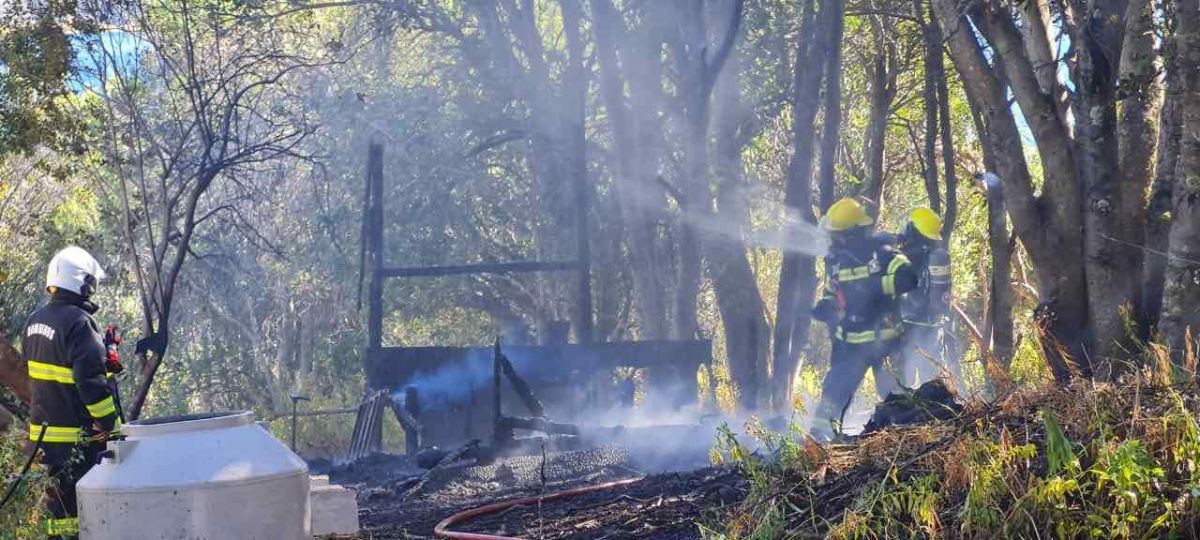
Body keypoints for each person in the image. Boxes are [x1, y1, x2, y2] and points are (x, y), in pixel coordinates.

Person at [23, 246, 121, 539]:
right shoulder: (79, 322)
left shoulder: (34, 321)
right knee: (84, 514)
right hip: (75, 441)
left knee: (58, 514)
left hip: (42, 439)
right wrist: (112, 428)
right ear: (83, 283)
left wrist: (104, 354)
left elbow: (57, 372)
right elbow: (89, 383)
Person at [810, 199, 918, 440]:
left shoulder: (883, 254)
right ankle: (817, 445)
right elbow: (833, 294)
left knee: (897, 401)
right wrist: (826, 307)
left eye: (836, 235)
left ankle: (907, 443)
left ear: (851, 234)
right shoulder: (837, 264)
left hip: (886, 344)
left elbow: (909, 278)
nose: (832, 240)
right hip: (851, 346)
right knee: (832, 397)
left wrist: (872, 286)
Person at [895, 208, 956, 388]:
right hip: (933, 328)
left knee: (903, 383)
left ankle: (906, 413)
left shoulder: (905, 258)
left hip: (908, 327)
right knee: (930, 382)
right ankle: (931, 412)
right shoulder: (937, 256)